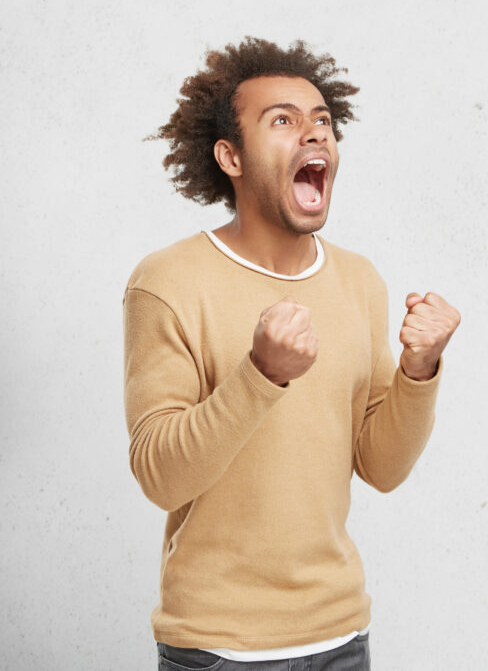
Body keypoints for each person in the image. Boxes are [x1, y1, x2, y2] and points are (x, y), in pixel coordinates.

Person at [123, 37, 459, 670]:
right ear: (231, 156)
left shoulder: (360, 281)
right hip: (219, 649)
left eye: (323, 122)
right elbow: (158, 475)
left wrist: (419, 372)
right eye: (282, 120)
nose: (314, 136)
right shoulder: (167, 282)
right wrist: (260, 376)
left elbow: (381, 467)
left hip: (341, 637)